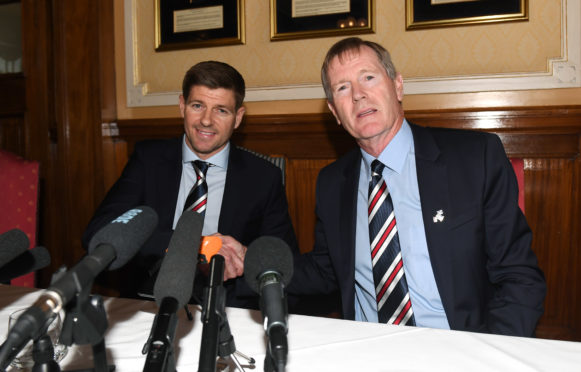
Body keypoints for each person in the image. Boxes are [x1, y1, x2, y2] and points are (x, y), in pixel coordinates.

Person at [288, 37, 546, 337]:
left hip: (460, 348)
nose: (358, 95)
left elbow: (519, 276)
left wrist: (490, 356)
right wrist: (250, 263)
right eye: (342, 88)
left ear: (397, 86)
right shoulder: (332, 182)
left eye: (368, 78)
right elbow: (327, 269)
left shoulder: (475, 159)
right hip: (366, 351)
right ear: (334, 111)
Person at [82, 61, 297, 309]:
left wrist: (245, 256)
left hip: (228, 308)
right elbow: (98, 233)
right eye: (198, 106)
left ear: (238, 118)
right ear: (182, 106)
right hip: (149, 301)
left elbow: (286, 261)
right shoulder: (148, 160)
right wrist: (200, 245)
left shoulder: (263, 178)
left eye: (221, 110)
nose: (206, 121)